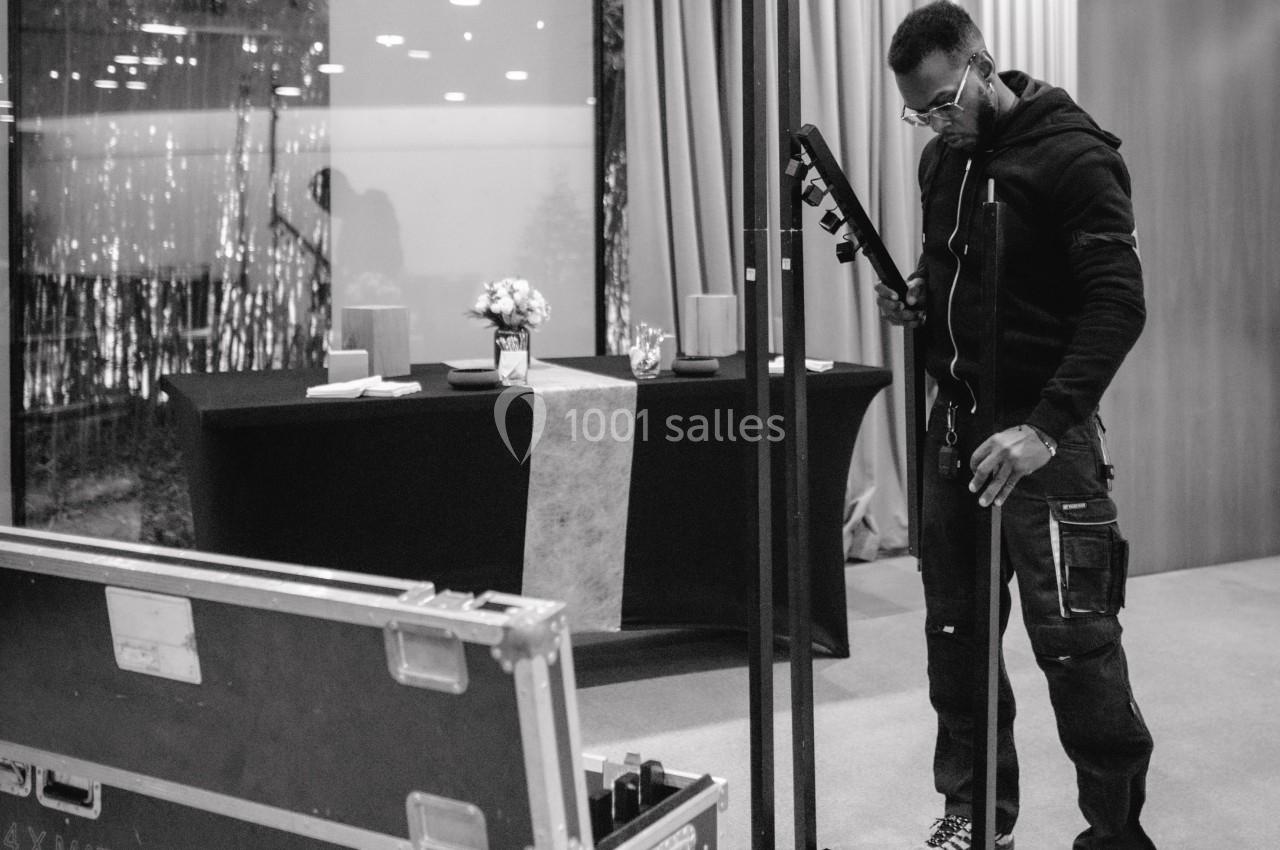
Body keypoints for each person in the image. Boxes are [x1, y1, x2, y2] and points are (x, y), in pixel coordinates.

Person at [878, 3, 1156, 849]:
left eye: (943, 104)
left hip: (1045, 441)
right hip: (957, 433)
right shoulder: (942, 161)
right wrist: (916, 300)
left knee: (1077, 648)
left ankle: (1115, 835)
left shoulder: (1076, 157)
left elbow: (1118, 305)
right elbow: (953, 274)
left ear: (983, 67)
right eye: (919, 114)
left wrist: (1042, 429)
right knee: (956, 639)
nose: (935, 124)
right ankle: (975, 816)